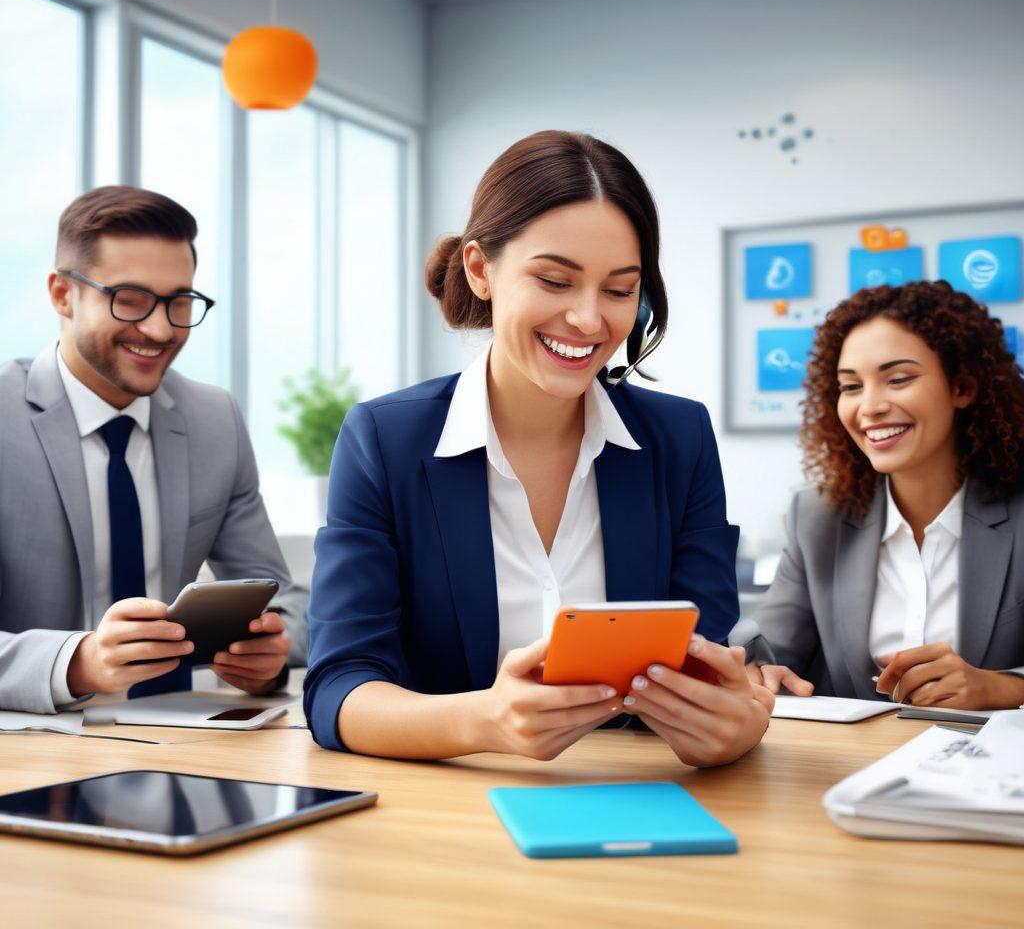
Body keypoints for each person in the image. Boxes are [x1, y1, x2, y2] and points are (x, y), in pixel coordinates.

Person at [305, 130, 772, 766]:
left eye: (618, 290)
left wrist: (732, 725)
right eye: (555, 280)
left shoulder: (679, 440)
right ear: (480, 269)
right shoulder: (385, 441)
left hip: (637, 801)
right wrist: (485, 720)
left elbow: (709, 659)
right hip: (441, 815)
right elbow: (339, 689)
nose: (588, 320)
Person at [0, 186, 307, 714]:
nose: (160, 328)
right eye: (130, 299)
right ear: (62, 294)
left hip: (182, 733)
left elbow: (288, 601)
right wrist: (78, 661)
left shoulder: (215, 419)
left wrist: (270, 656)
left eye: (179, 301)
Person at [750, 280, 1024, 709]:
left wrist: (1004, 688)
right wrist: (759, 670)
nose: (870, 407)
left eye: (897, 379)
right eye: (851, 386)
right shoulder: (817, 517)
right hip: (856, 770)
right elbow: (768, 647)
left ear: (963, 387)